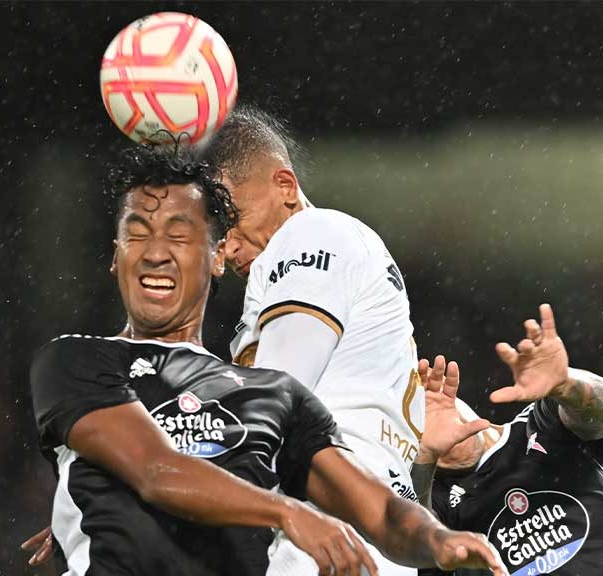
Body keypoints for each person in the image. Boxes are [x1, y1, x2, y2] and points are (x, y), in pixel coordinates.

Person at [27, 141, 507, 576]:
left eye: (179, 235)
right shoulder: (77, 359)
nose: (156, 253)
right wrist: (288, 513)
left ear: (215, 255)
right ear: (115, 256)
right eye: (138, 235)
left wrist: (437, 539)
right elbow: (156, 471)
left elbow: (376, 508)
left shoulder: (270, 389)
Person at [200, 105, 458, 576]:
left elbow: (272, 399)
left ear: (284, 186)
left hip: (322, 531)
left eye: (232, 218)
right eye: (216, 230)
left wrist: (142, 482)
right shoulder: (337, 252)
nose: (227, 245)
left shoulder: (311, 234)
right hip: (365, 529)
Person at [414, 304, 603, 575]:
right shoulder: (434, 505)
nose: (427, 416)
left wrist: (566, 384)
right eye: (413, 421)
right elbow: (414, 541)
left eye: (427, 396)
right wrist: (425, 458)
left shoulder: (543, 425)